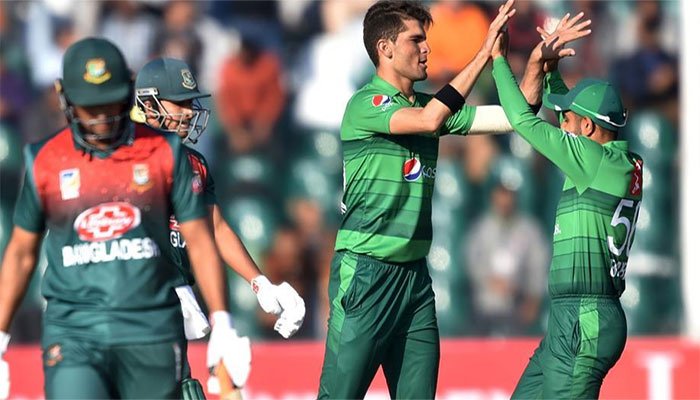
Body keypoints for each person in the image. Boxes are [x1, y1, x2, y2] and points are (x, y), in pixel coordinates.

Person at [0, 37, 234, 399]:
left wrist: (222, 321)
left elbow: (202, 239)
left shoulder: (164, 151)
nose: (101, 118)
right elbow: (20, 253)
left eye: (109, 104)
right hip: (75, 331)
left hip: (151, 328)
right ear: (65, 99)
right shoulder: (44, 159)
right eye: (90, 107)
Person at [317, 1, 522, 398]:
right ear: (385, 48)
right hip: (366, 273)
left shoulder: (429, 107)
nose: (427, 48)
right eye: (416, 40)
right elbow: (429, 122)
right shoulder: (366, 104)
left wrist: (526, 66)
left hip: (414, 280)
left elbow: (516, 116)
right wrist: (481, 52)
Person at [490, 12, 643, 399]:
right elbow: (569, 122)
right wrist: (551, 70)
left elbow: (522, 121)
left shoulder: (591, 161)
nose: (561, 125)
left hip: (583, 318)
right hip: (574, 318)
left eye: (569, 120)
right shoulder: (610, 160)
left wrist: (497, 62)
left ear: (589, 129)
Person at [133, 56, 306, 393]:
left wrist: (260, 284)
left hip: (172, 291)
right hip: (132, 296)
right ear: (149, 104)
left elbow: (215, 227)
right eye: (179, 102)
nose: (188, 111)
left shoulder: (193, 162)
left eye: (189, 101)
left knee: (183, 385)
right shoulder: (125, 157)